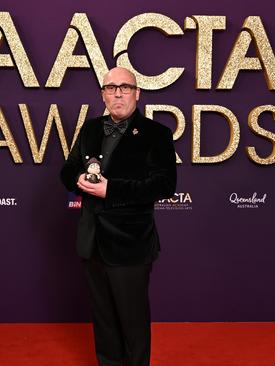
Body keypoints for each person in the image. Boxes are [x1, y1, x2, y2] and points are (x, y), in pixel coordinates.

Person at [60, 67, 177, 366]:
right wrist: (79, 181)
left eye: (125, 87)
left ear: (137, 93)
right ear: (103, 94)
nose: (118, 93)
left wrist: (111, 190)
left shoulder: (157, 134)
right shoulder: (90, 129)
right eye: (111, 88)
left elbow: (165, 184)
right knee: (104, 320)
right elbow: (68, 169)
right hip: (92, 241)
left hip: (130, 244)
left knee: (133, 321)